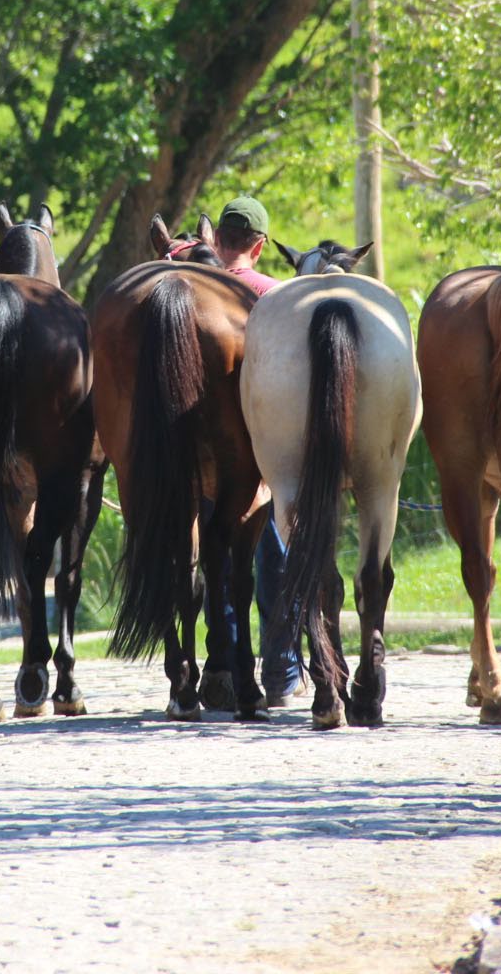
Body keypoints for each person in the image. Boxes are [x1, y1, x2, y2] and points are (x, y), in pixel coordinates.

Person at [211, 196, 311, 704]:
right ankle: (281, 670)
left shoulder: (197, 289)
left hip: (206, 451)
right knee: (273, 543)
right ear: (260, 244)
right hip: (265, 448)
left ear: (217, 240)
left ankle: (223, 665)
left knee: (213, 551)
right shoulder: (278, 297)